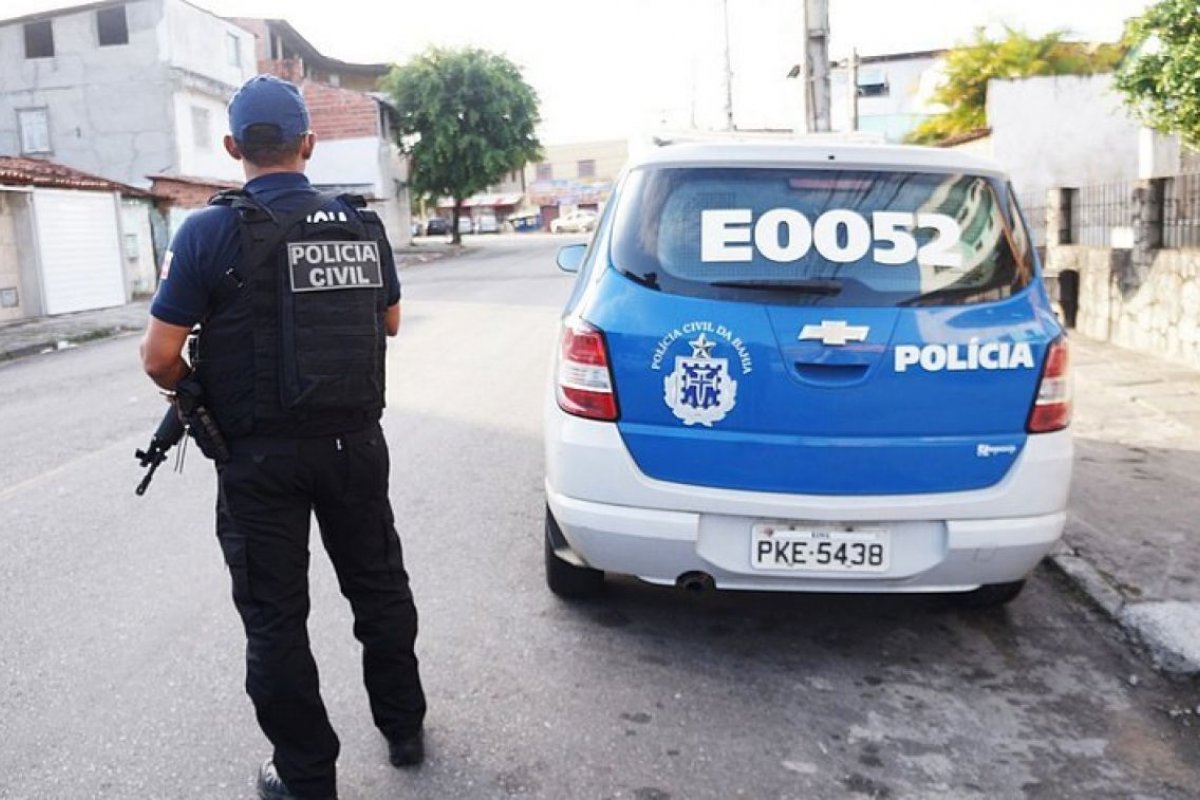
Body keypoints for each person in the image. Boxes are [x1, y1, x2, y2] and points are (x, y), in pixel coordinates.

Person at [140, 74, 426, 800]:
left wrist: (196, 396)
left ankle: (305, 775)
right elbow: (388, 323)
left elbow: (158, 356)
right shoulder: (362, 226)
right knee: (379, 589)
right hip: (355, 445)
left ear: (234, 147)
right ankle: (404, 728)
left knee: (275, 617)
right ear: (309, 143)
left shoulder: (208, 231)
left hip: (259, 459)